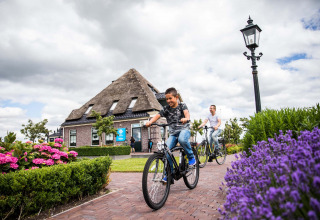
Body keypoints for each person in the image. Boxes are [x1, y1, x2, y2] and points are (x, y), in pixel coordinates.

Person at [146, 87, 196, 183]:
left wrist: (186, 118)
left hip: (184, 130)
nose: (168, 101)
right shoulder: (166, 109)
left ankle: (191, 158)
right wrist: (150, 122)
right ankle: (169, 174)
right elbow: (157, 115)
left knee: (182, 139)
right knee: (166, 151)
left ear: (176, 97)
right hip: (173, 134)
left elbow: (187, 114)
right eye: (167, 99)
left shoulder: (182, 106)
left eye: (170, 98)